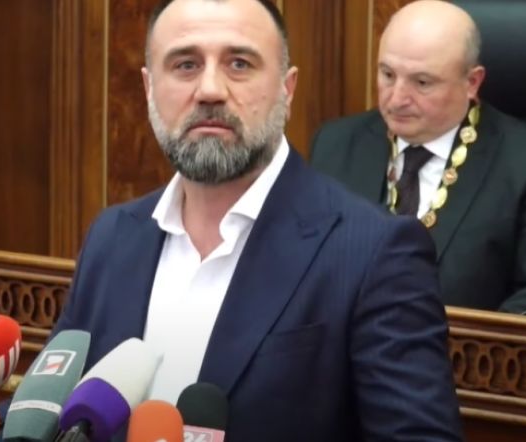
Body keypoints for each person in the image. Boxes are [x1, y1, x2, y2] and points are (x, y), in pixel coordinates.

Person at [53, 0, 462, 440]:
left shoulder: (375, 253)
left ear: (287, 89)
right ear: (150, 88)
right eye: (186, 65)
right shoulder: (112, 237)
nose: (210, 90)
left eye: (239, 64)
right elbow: (47, 412)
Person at [310, 0, 526, 314]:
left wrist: (467, 341)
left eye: (422, 82)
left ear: (472, 83)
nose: (397, 99)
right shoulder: (335, 145)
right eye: (387, 74)